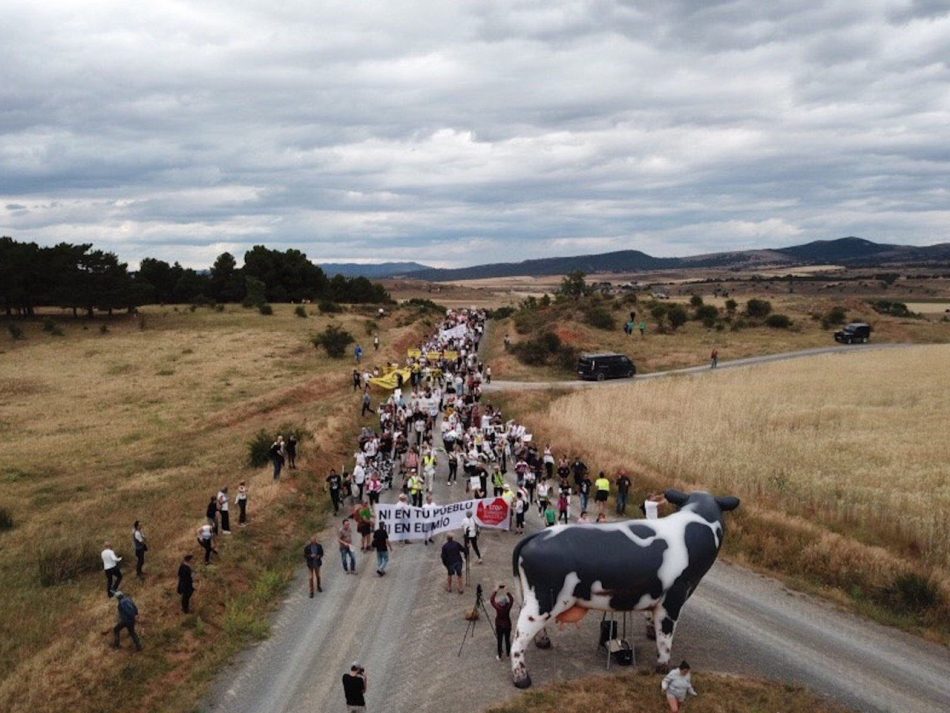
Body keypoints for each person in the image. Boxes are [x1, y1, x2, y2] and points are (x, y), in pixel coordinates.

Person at [490, 584, 514, 660]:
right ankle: (508, 654)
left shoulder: (498, 607)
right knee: (507, 640)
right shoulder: (508, 607)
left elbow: (492, 600)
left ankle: (500, 656)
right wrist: (507, 592)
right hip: (507, 625)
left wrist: (495, 591)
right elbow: (512, 600)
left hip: (499, 626)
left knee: (499, 641)